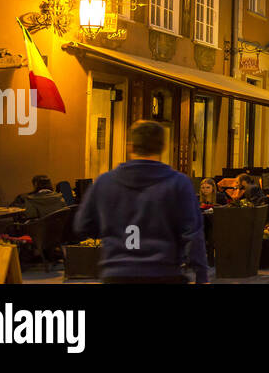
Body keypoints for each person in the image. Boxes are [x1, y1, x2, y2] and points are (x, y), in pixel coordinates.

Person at [74, 120, 209, 283]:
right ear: (163, 146)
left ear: (130, 146)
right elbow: (193, 233)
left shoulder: (104, 182)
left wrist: (111, 232)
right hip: (163, 272)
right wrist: (201, 274)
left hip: (116, 273)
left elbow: (82, 226)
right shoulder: (179, 183)